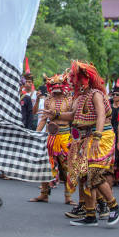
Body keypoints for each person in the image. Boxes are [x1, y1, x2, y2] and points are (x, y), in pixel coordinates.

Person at [51, 61, 119, 227]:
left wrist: (97, 136)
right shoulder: (79, 97)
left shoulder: (96, 94)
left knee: (94, 174)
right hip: (83, 139)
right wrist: (55, 114)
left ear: (87, 79)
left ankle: (114, 206)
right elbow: (72, 116)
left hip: (101, 137)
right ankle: (90, 215)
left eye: (78, 79)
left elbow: (101, 115)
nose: (76, 82)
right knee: (83, 176)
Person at [31, 71, 74, 205]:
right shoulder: (49, 100)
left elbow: (72, 117)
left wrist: (56, 114)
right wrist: (36, 135)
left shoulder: (69, 100)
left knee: (67, 167)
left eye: (59, 84)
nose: (56, 86)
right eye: (54, 84)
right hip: (51, 136)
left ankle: (68, 197)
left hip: (65, 137)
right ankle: (44, 194)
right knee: (46, 165)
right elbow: (44, 118)